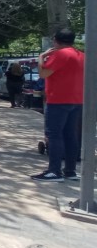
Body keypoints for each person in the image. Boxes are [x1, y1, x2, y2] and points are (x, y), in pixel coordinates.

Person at [31, 28, 84, 182]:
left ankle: (54, 171)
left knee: (54, 135)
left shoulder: (60, 54)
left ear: (56, 40)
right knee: (70, 136)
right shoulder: (82, 55)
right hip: (77, 100)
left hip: (58, 99)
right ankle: (70, 170)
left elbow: (43, 73)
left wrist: (41, 57)